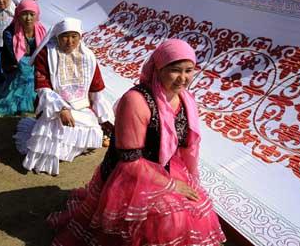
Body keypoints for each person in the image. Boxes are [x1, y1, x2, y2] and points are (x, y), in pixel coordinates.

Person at [46, 39, 226, 245]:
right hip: (129, 173)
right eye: (175, 70)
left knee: (197, 204)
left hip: (165, 166)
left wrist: (190, 179)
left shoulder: (186, 99)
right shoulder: (135, 101)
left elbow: (187, 146)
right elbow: (130, 160)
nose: (182, 78)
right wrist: (170, 185)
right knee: (170, 217)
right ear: (158, 68)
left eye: (189, 71)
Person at [14, 18, 115, 176]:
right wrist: (61, 108)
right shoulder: (46, 54)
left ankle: (71, 148)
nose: (70, 41)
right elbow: (43, 87)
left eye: (74, 36)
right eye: (65, 37)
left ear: (80, 37)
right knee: (53, 130)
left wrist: (104, 116)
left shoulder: (87, 56)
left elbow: (96, 87)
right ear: (57, 37)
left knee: (91, 126)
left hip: (81, 104)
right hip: (53, 105)